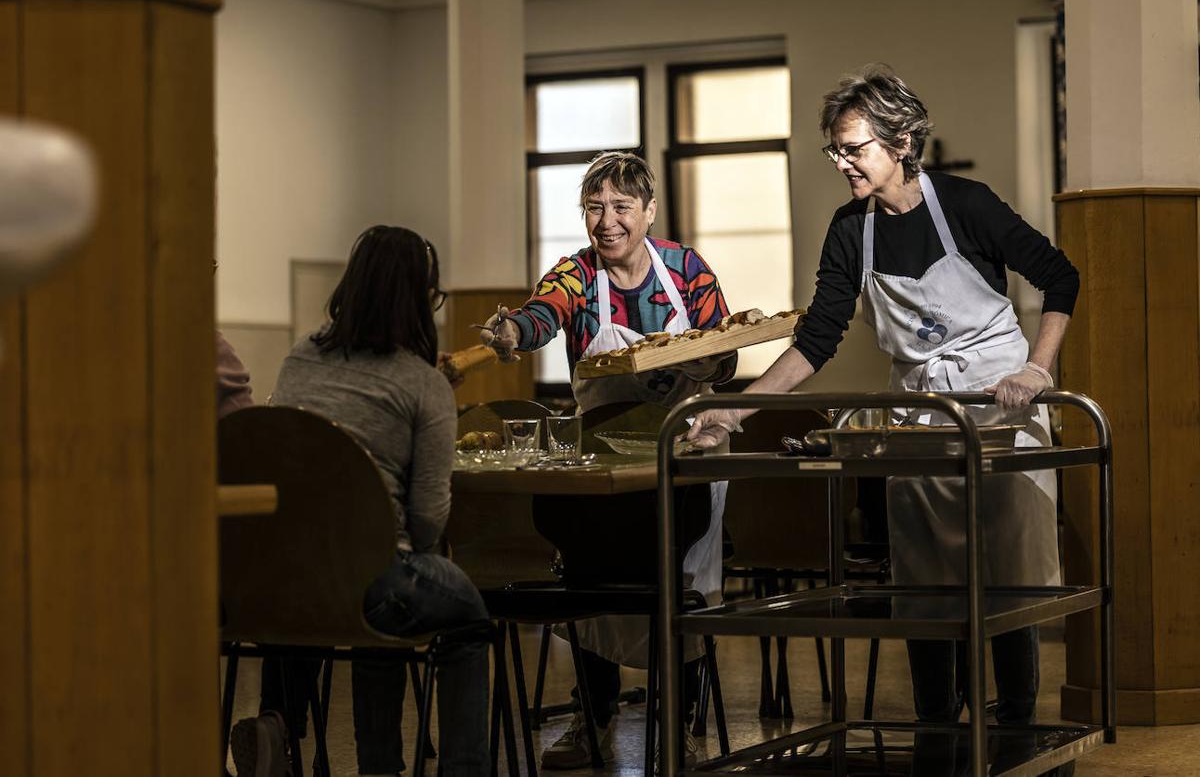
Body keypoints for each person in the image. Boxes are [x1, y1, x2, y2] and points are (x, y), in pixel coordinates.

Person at [688, 66, 1078, 737]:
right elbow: (815, 341)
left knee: (1007, 573)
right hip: (920, 415)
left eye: (854, 149)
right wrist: (734, 409)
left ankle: (1015, 726)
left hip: (1000, 402)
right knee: (925, 579)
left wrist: (1038, 370)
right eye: (835, 151)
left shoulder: (968, 204)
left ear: (900, 142)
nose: (843, 163)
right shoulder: (850, 230)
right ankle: (938, 728)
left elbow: (1060, 277)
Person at [481, 151, 734, 769]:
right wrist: (513, 332)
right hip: (601, 464)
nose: (608, 221)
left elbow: (727, 352)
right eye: (595, 207)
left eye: (622, 206)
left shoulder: (685, 269)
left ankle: (679, 727)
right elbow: (545, 315)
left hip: (684, 452)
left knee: (684, 589)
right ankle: (590, 722)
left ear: (649, 211)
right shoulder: (575, 275)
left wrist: (702, 362)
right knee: (589, 584)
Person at [270, 226, 489, 777]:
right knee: (461, 611)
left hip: (279, 583)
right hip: (371, 584)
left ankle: (280, 730)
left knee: (388, 603)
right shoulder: (423, 385)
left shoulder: (300, 357)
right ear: (420, 299)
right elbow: (426, 521)